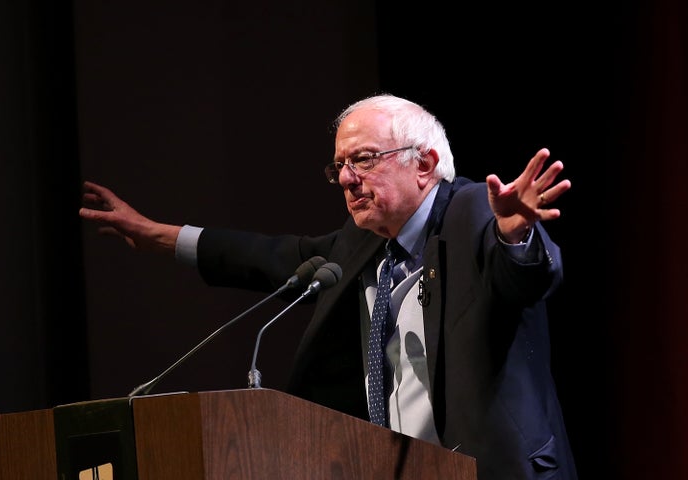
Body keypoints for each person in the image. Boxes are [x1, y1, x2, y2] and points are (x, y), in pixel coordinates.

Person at [79, 94, 578, 479]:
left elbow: (529, 278)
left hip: (490, 471)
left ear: (424, 165)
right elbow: (265, 257)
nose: (345, 178)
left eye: (362, 159)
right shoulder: (360, 243)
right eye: (339, 165)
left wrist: (518, 235)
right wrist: (159, 237)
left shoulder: (473, 213)